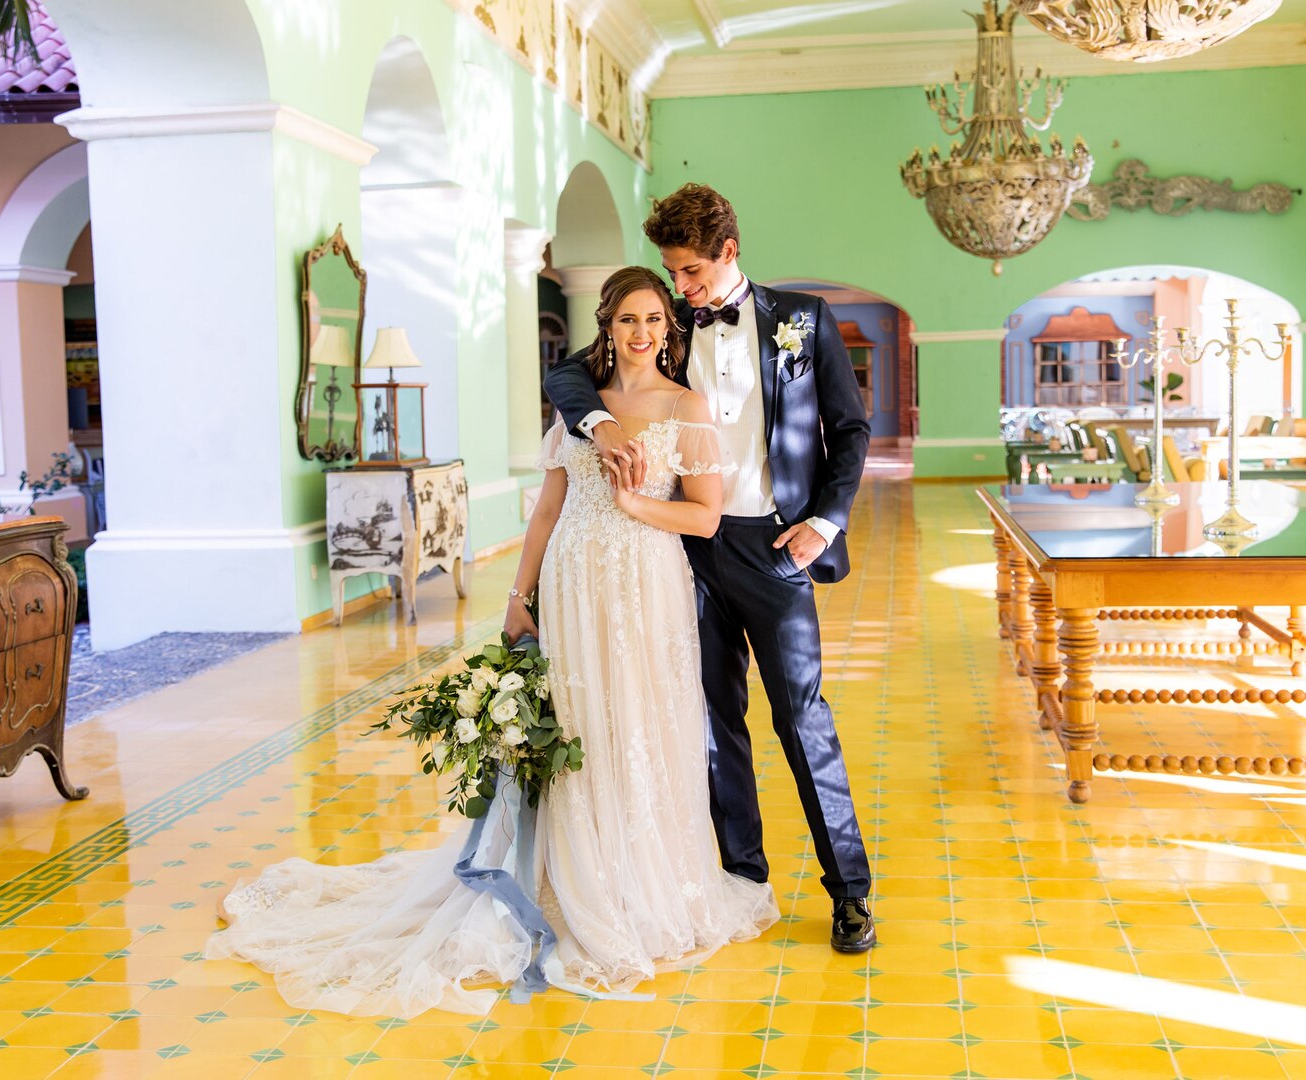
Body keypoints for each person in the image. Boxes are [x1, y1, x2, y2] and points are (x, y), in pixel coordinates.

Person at [208, 267, 776, 1017]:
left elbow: (704, 518)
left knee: (639, 724)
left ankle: (644, 885)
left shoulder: (688, 407)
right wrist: (517, 596)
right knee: (578, 727)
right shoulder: (582, 406)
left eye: (654, 320)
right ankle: (566, 884)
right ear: (606, 327)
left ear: (669, 329)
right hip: (572, 585)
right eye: (628, 320)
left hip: (645, 587)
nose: (642, 333)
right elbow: (546, 511)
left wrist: (637, 501)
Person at [543, 183, 876, 953]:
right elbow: (567, 376)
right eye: (671, 274)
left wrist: (823, 523)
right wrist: (595, 421)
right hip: (682, 551)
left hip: (774, 543)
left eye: (689, 273)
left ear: (728, 252)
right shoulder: (661, 329)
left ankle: (849, 891)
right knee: (713, 723)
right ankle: (741, 874)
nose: (681, 290)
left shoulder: (802, 320)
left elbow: (851, 427)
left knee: (801, 719)